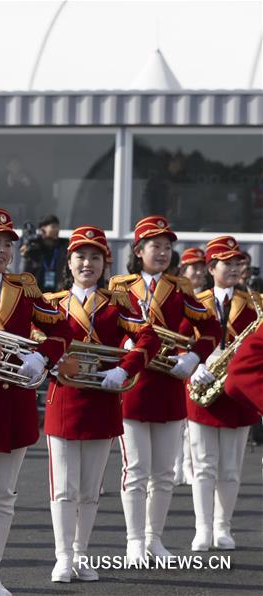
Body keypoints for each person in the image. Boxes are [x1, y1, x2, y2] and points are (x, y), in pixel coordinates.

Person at [0, 208, 73, 596]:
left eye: (8, 244)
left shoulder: (25, 287)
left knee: (3, 497)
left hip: (14, 403)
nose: (4, 250)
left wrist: (42, 357)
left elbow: (62, 330)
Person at [43, 226, 161, 583]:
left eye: (96, 257)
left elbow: (148, 336)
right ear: (70, 260)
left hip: (103, 400)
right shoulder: (52, 303)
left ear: (105, 263)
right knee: (63, 487)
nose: (87, 263)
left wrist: (125, 369)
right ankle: (63, 556)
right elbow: (34, 341)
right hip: (63, 399)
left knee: (89, 488)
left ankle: (81, 554)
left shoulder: (118, 303)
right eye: (81, 255)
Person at [108, 215, 221, 563]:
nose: (162, 252)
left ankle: (154, 539)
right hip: (134, 384)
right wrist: (124, 343)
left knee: (164, 473)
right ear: (138, 250)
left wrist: (194, 357)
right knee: (136, 469)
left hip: (170, 382)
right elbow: (106, 328)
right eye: (155, 245)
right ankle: (133, 542)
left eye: (167, 246)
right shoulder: (120, 286)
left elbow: (211, 328)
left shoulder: (180, 288)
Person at [184, 236, 260, 552]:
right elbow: (181, 341)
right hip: (202, 387)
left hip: (238, 395)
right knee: (203, 464)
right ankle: (202, 528)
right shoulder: (194, 302)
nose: (232, 268)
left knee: (230, 466)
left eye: (236, 263)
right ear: (211, 267)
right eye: (226, 263)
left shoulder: (255, 303)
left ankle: (222, 526)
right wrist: (195, 364)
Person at [174, 247, 207, 486]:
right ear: (183, 270)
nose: (198, 271)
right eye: (193, 267)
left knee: (192, 422)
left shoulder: (207, 298)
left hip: (201, 362)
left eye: (201, 267)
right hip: (180, 359)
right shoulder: (178, 297)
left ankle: (189, 464)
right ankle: (178, 464)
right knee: (179, 421)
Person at [20, 214, 68, 293]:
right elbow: (24, 273)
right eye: (53, 227)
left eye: (58, 227)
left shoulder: (63, 245)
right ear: (43, 229)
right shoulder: (34, 246)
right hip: (36, 292)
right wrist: (25, 257)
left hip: (57, 292)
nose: (57, 230)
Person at [0, 156, 40, 222]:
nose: (16, 167)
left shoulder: (28, 178)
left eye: (18, 164)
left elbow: (38, 198)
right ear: (7, 167)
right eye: (13, 164)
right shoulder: (2, 180)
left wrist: (29, 185)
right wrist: (9, 185)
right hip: (7, 217)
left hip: (27, 216)